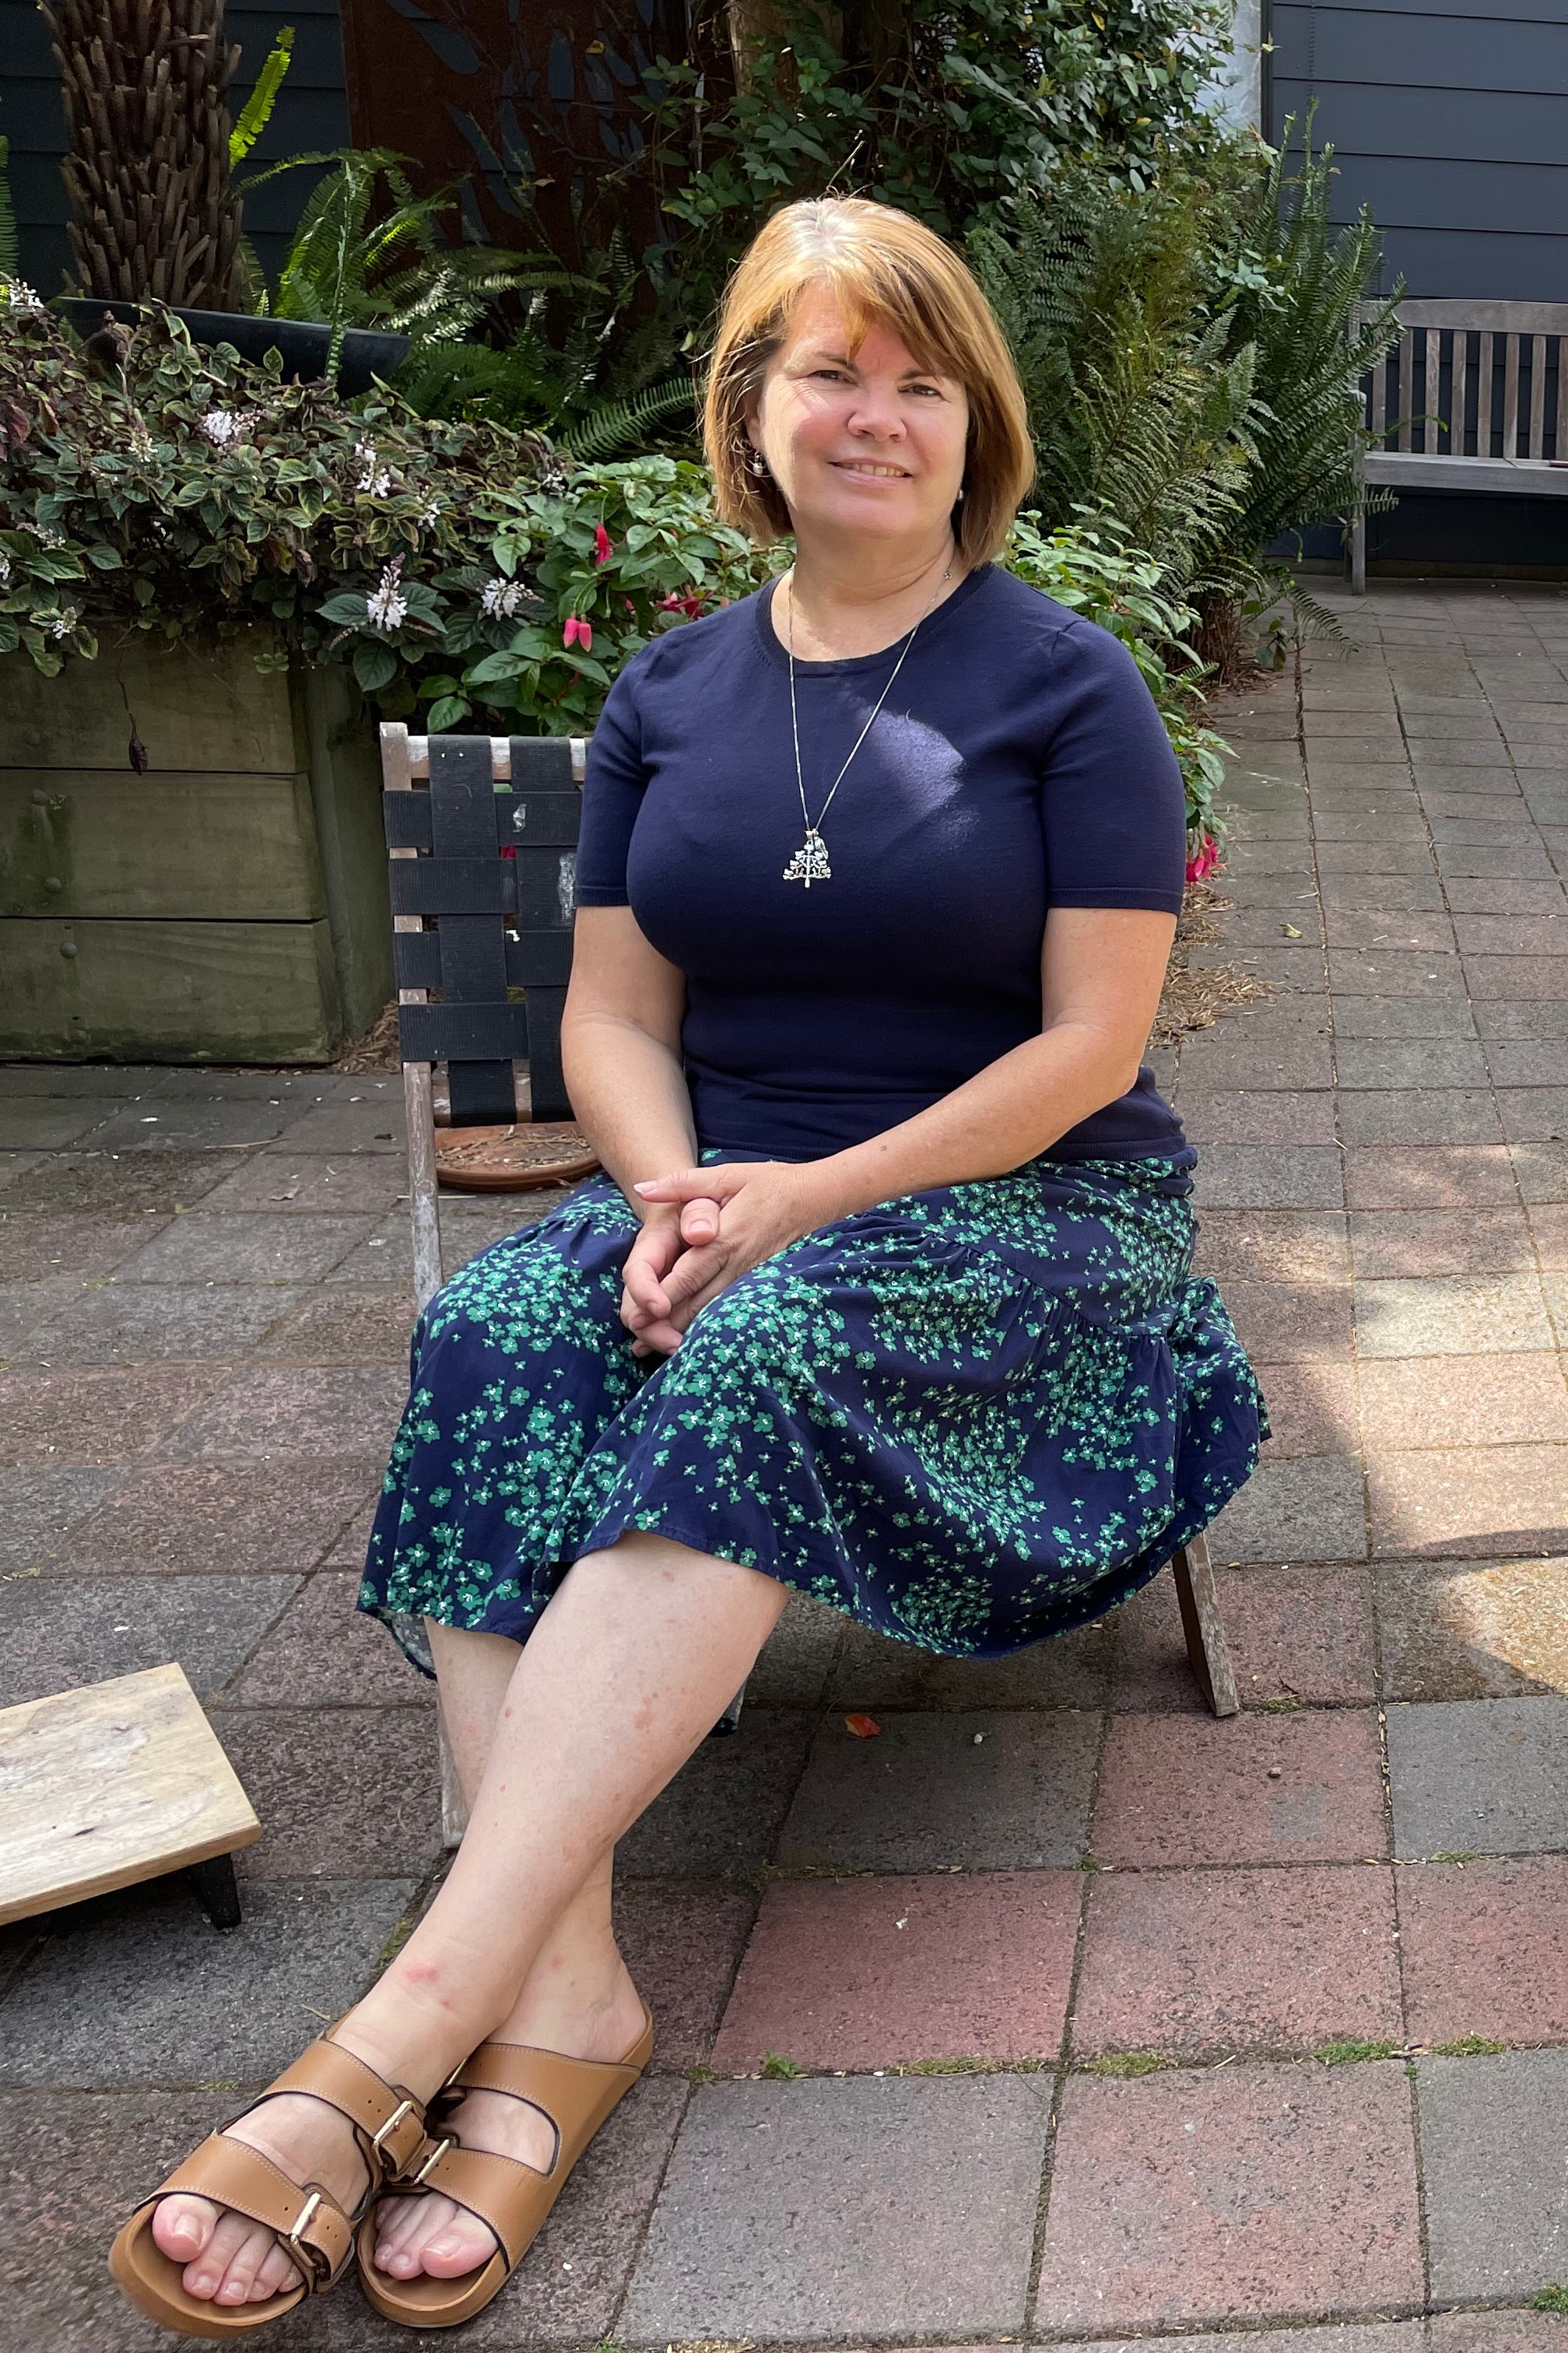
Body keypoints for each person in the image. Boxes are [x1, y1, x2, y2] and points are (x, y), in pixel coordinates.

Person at [109, 196, 1261, 2336]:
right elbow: (616, 1021)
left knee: (754, 1362)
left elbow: (1091, 1043)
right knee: (496, 1333)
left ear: (975, 425)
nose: (878, 415)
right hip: (723, 1197)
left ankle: (402, 2029)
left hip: (1033, 1218)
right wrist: (667, 1199)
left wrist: (799, 1208)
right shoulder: (671, 694)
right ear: (751, 409)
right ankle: (575, 1998)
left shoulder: (1066, 688)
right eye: (834, 369)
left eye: (923, 380)